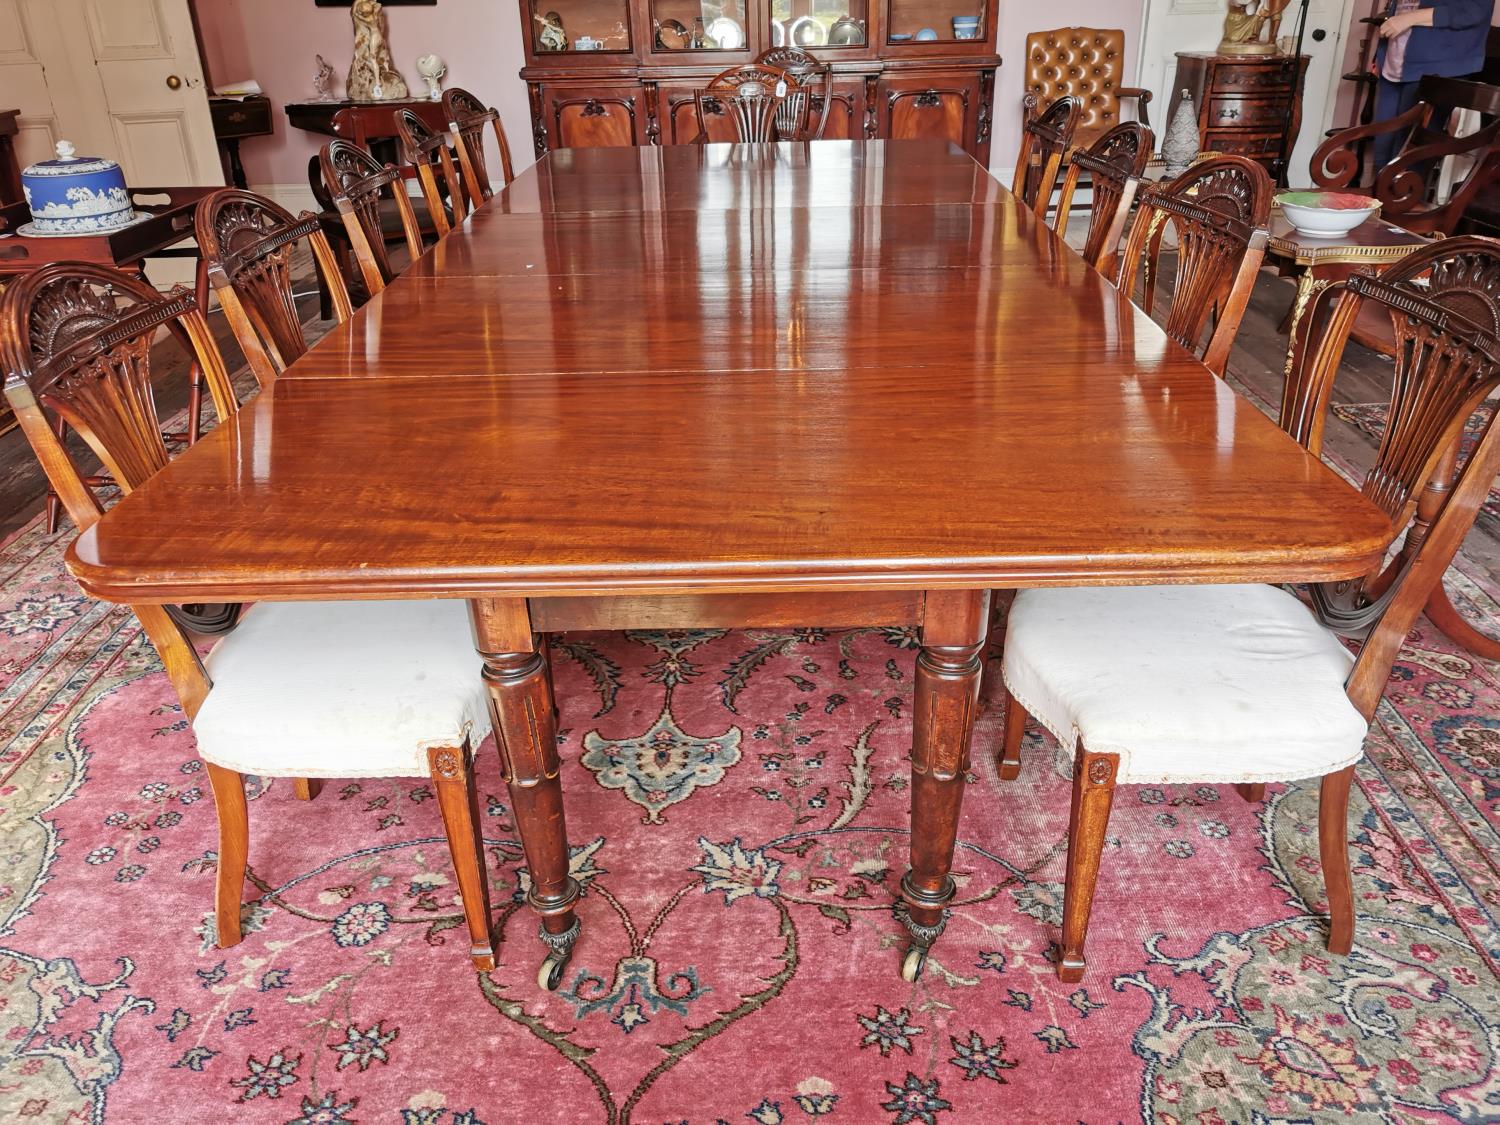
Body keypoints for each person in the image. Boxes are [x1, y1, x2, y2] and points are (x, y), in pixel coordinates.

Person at [1372, 0, 1496, 168]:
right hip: (1393, 64)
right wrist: (1379, 56)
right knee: (1381, 154)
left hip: (1435, 68)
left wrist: (1409, 19)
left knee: (1406, 162)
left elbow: (1474, 11)